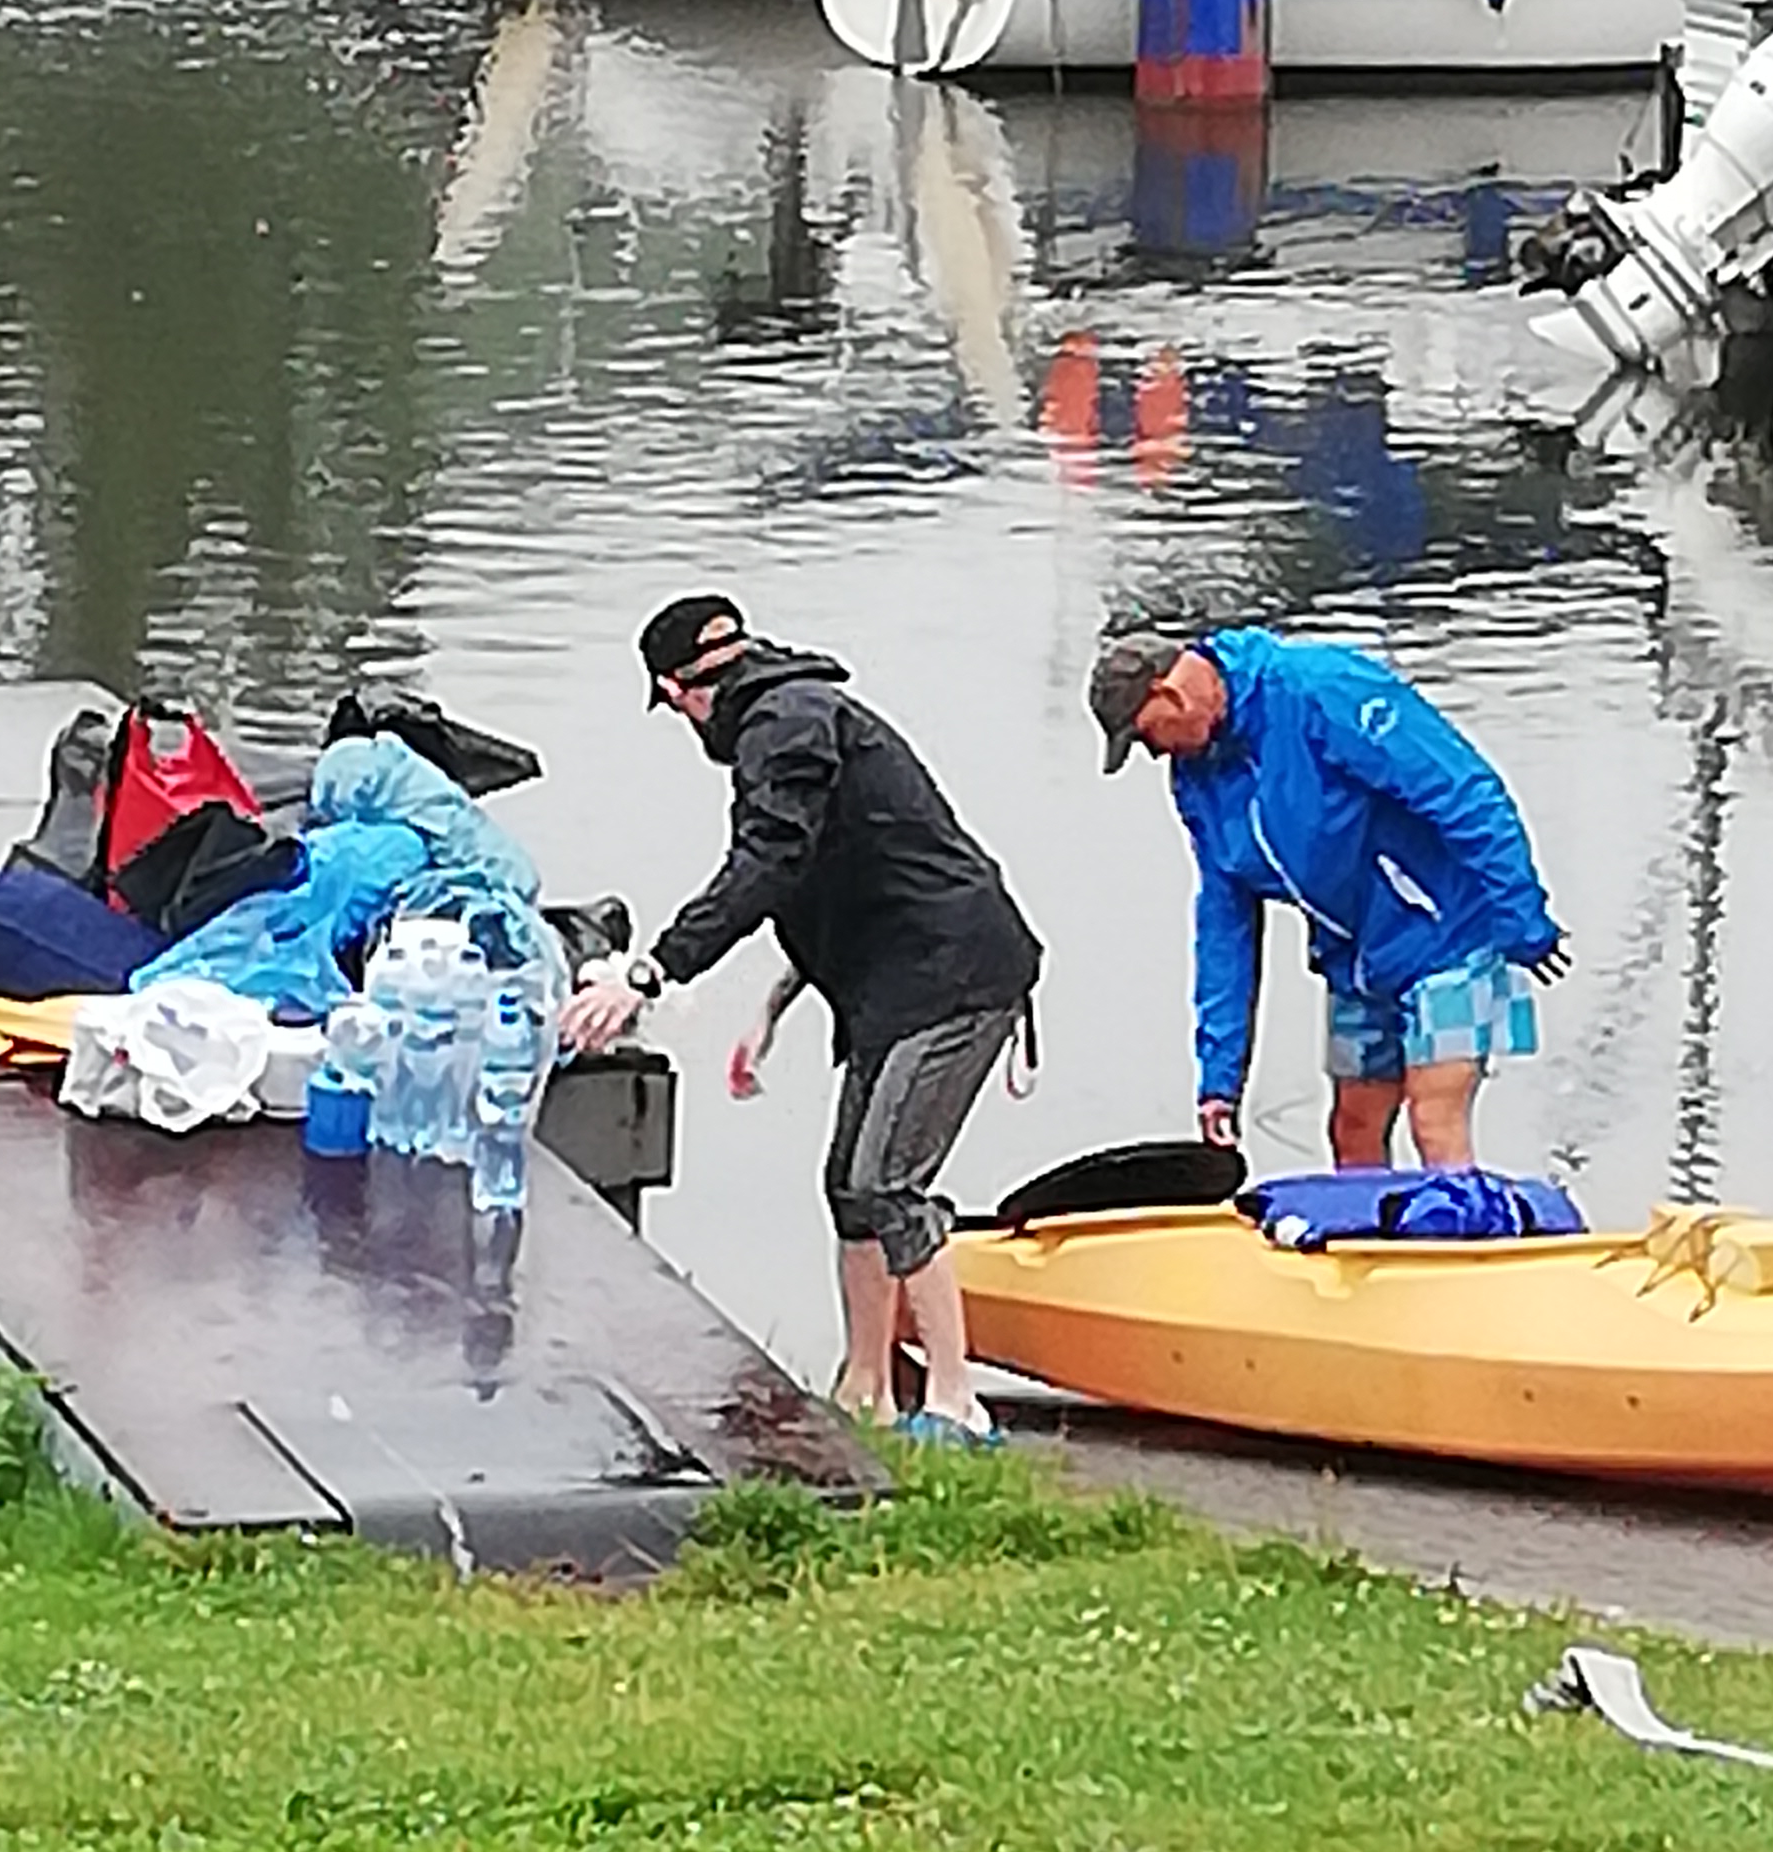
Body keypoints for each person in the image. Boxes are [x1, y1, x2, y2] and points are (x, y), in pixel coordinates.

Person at [566, 594, 1039, 1447]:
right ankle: (866, 1390)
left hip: (956, 978)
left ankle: (957, 1403)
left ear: (679, 692)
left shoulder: (783, 728)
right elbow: (824, 878)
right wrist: (772, 1012)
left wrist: (648, 974)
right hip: (894, 980)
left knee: (888, 1184)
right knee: (848, 1189)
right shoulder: (795, 714)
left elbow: (764, 864)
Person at [1089, 623, 1563, 1167]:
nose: (1153, 754)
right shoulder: (1197, 781)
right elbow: (1224, 923)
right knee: (1352, 1128)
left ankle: (1463, 1219)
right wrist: (1219, 1083)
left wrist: (1522, 916)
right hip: (1357, 959)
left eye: (1146, 736)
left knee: (1433, 1117)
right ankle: (1370, 1224)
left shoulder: (1320, 688)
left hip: (1449, 933)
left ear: (1169, 695)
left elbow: (1465, 793)